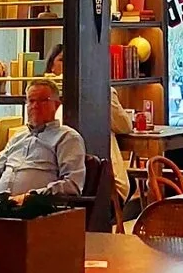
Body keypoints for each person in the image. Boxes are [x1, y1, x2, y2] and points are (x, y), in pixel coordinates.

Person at [45, 41, 131, 200]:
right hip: (66, 185)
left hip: (98, 186)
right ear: (51, 66)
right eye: (63, 60)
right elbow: (125, 126)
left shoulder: (102, 93)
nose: (68, 65)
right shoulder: (44, 98)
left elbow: (125, 126)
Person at [0, 78, 86, 199]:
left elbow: (72, 185)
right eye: (31, 101)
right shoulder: (18, 136)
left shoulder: (67, 137)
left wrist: (30, 196)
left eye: (43, 101)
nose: (35, 106)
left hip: (35, 205)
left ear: (56, 105)